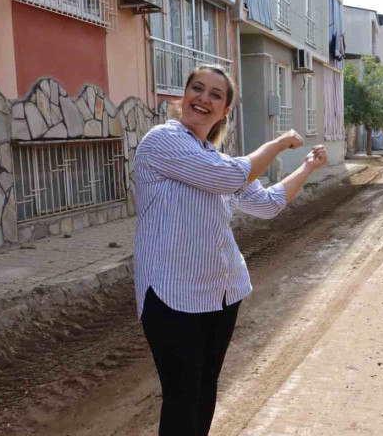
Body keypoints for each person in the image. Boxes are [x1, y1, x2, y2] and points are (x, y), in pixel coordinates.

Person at [132, 64, 327, 436]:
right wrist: (280, 142)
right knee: (181, 395)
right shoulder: (162, 140)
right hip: (171, 295)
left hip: (221, 292)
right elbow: (231, 176)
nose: (203, 98)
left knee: (205, 390)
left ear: (224, 111)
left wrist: (305, 167)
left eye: (215, 94)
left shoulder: (214, 156)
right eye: (197, 88)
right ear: (183, 96)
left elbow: (267, 203)